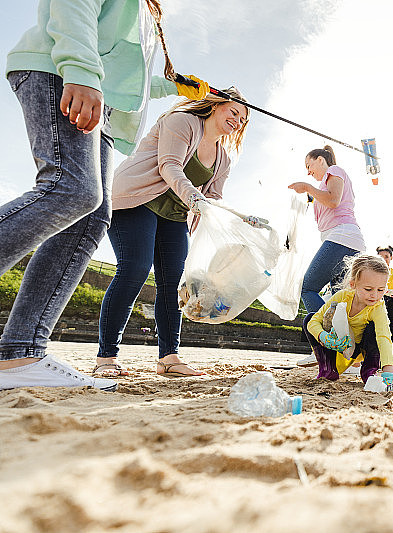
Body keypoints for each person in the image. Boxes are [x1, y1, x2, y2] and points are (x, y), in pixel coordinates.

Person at [0, 0, 210, 391]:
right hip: (62, 71)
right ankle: (22, 349)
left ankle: (20, 352)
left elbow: (128, 74)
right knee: (71, 190)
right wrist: (80, 71)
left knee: (90, 215)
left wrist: (173, 86)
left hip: (99, 99)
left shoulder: (149, 13)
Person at [95, 90, 250, 378]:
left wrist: (237, 223)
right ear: (216, 105)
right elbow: (170, 166)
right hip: (136, 199)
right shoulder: (183, 121)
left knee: (174, 285)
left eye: (242, 119)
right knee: (135, 269)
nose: (237, 121)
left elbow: (213, 200)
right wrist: (195, 199)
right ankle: (106, 357)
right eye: (233, 112)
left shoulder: (223, 159)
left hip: (175, 216)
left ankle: (169, 357)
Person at [289, 145, 366, 367]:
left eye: (309, 165)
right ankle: (349, 358)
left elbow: (333, 200)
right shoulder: (324, 182)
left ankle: (324, 343)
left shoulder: (335, 171)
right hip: (345, 240)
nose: (308, 171)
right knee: (339, 300)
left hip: (342, 238)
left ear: (320, 160)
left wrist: (307, 187)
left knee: (308, 287)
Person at [303, 254, 393, 385]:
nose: (375, 295)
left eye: (381, 289)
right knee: (309, 318)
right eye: (368, 289)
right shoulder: (342, 296)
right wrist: (324, 337)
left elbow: (384, 337)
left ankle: (369, 372)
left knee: (373, 329)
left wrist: (388, 371)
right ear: (353, 284)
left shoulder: (377, 307)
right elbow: (313, 321)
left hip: (360, 350)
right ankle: (328, 369)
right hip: (336, 345)